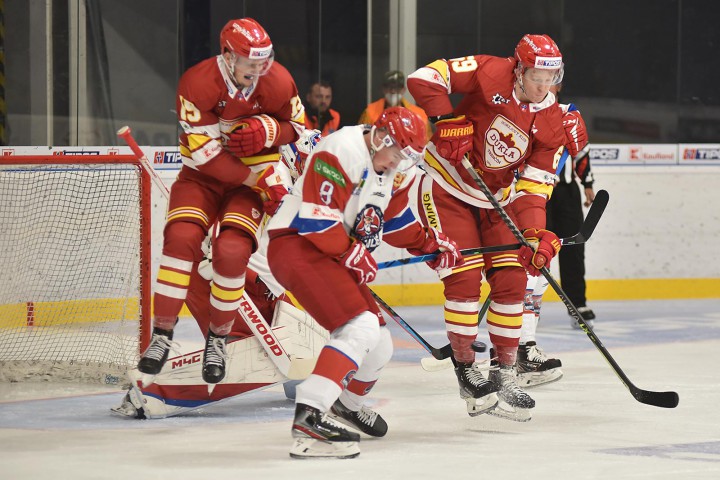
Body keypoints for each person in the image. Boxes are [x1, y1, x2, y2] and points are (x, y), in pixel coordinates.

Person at [265, 107, 463, 458]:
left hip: (329, 252)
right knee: (360, 327)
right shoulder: (340, 149)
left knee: (379, 343)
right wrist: (351, 252)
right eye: (398, 154)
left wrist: (430, 245)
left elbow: (396, 221)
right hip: (297, 245)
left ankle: (347, 404)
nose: (399, 164)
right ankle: (310, 414)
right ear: (382, 138)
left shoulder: (388, 168)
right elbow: (316, 221)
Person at [407, 34, 573, 422]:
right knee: (464, 278)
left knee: (513, 278)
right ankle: (467, 371)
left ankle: (505, 372)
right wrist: (445, 119)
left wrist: (534, 234)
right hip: (447, 184)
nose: (543, 87)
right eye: (536, 78)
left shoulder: (552, 121)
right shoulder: (488, 70)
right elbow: (423, 78)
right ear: (518, 69)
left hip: (495, 197)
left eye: (551, 79)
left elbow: (533, 187)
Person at [135, 18, 305, 387]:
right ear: (228, 56)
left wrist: (270, 131)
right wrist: (260, 180)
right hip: (203, 178)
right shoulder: (198, 82)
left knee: (231, 251)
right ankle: (162, 334)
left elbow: (299, 128)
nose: (259, 69)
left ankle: (218, 339)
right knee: (181, 239)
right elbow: (207, 156)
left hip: (251, 183)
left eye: (264, 60)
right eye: (250, 61)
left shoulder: (278, 80)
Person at [516, 86, 593, 386]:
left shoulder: (567, 113)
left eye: (550, 78)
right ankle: (514, 345)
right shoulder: (521, 111)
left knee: (560, 254)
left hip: (560, 191)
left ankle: (576, 304)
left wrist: (588, 182)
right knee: (532, 261)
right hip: (530, 193)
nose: (544, 84)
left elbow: (580, 151)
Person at [358, 70, 433, 141]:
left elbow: (426, 143)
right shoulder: (370, 111)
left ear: (403, 90)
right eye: (389, 87)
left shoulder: (419, 115)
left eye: (397, 88)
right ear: (383, 89)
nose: (393, 91)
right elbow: (361, 139)